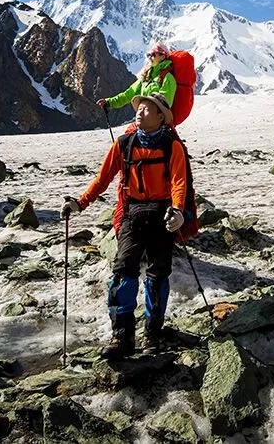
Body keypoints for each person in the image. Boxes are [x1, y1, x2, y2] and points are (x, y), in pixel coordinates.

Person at [62, 93, 188, 359]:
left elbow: (178, 182)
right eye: (139, 109)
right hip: (133, 212)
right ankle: (122, 335)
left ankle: (152, 333)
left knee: (157, 274)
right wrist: (79, 203)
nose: (140, 113)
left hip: (162, 214)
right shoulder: (123, 144)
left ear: (160, 117)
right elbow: (103, 178)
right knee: (124, 271)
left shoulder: (171, 145)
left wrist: (177, 210)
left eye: (146, 110)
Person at [97, 43, 177, 113]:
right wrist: (109, 102)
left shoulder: (168, 78)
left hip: (157, 122)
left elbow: (165, 103)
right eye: (149, 55)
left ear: (162, 57)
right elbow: (129, 94)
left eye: (153, 55)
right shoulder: (147, 76)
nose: (149, 57)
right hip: (145, 118)